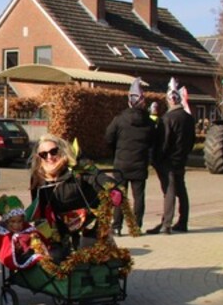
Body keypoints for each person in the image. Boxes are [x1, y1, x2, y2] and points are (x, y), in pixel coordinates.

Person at [29, 134, 122, 261]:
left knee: (87, 253)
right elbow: (39, 208)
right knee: (54, 256)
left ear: (61, 150)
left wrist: (112, 189)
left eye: (53, 151)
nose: (49, 157)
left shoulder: (77, 167)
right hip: (59, 226)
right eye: (44, 154)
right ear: (39, 157)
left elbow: (98, 177)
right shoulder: (38, 177)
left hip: (87, 222)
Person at [104, 78, 155, 235]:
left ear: (129, 101)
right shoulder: (149, 123)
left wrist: (116, 151)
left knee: (119, 195)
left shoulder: (119, 120)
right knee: (139, 196)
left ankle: (117, 226)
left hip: (121, 164)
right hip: (140, 164)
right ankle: (136, 226)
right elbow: (153, 142)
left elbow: (108, 138)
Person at [147, 79, 196, 235]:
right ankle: (183, 221)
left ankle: (166, 224)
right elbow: (192, 140)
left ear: (169, 100)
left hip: (168, 161)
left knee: (169, 191)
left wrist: (156, 159)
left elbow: (164, 142)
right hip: (181, 159)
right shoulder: (189, 118)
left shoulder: (168, 119)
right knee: (181, 190)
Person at [0, 195, 45, 271]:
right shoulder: (2, 237)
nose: (17, 225)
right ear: (6, 222)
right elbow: (7, 255)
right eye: (13, 222)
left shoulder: (27, 229)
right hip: (23, 261)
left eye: (20, 221)